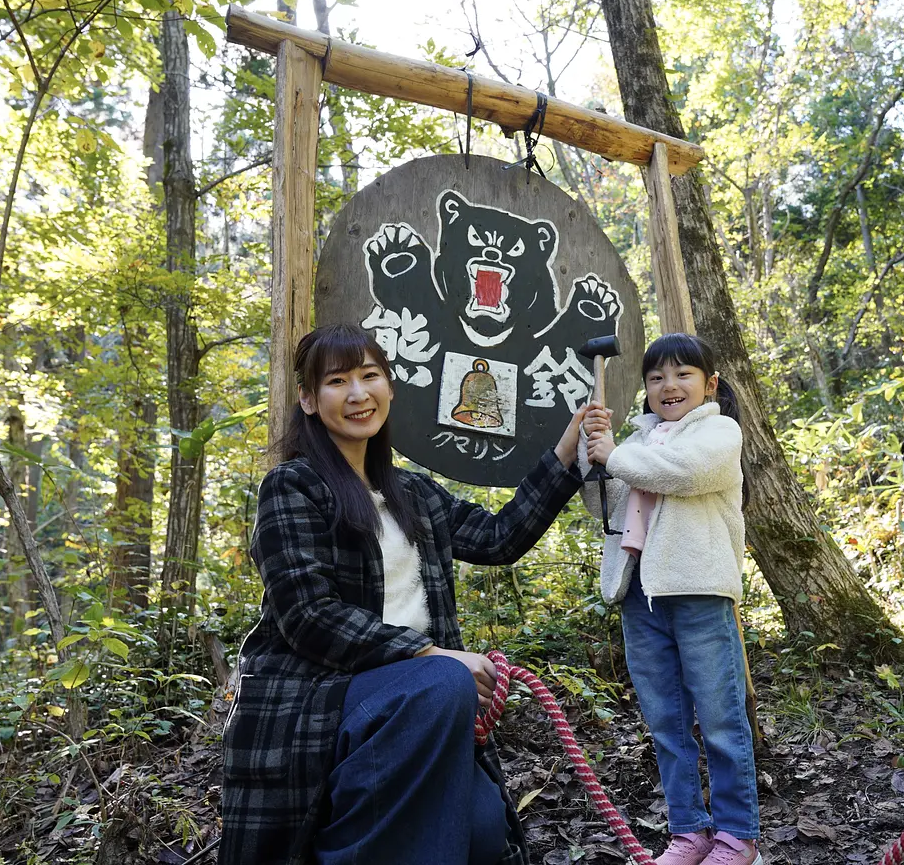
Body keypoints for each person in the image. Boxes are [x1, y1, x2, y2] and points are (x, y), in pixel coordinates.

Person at [220, 323, 588, 865]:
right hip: (324, 696)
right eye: (337, 381)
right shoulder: (293, 486)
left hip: (425, 698)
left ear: (390, 387)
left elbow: (498, 537)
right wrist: (433, 657)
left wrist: (564, 455)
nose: (357, 394)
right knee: (441, 683)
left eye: (370, 376)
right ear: (308, 399)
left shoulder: (413, 493)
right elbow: (306, 614)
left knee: (485, 834)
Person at [581, 333, 763, 865]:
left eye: (683, 374)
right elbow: (604, 506)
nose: (669, 386)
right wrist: (595, 456)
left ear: (709, 385)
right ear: (645, 389)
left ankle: (737, 836)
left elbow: (683, 474)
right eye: (657, 377)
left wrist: (615, 456)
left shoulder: (719, 433)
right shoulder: (637, 442)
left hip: (699, 588)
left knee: (722, 716)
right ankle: (688, 831)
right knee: (665, 719)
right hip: (640, 591)